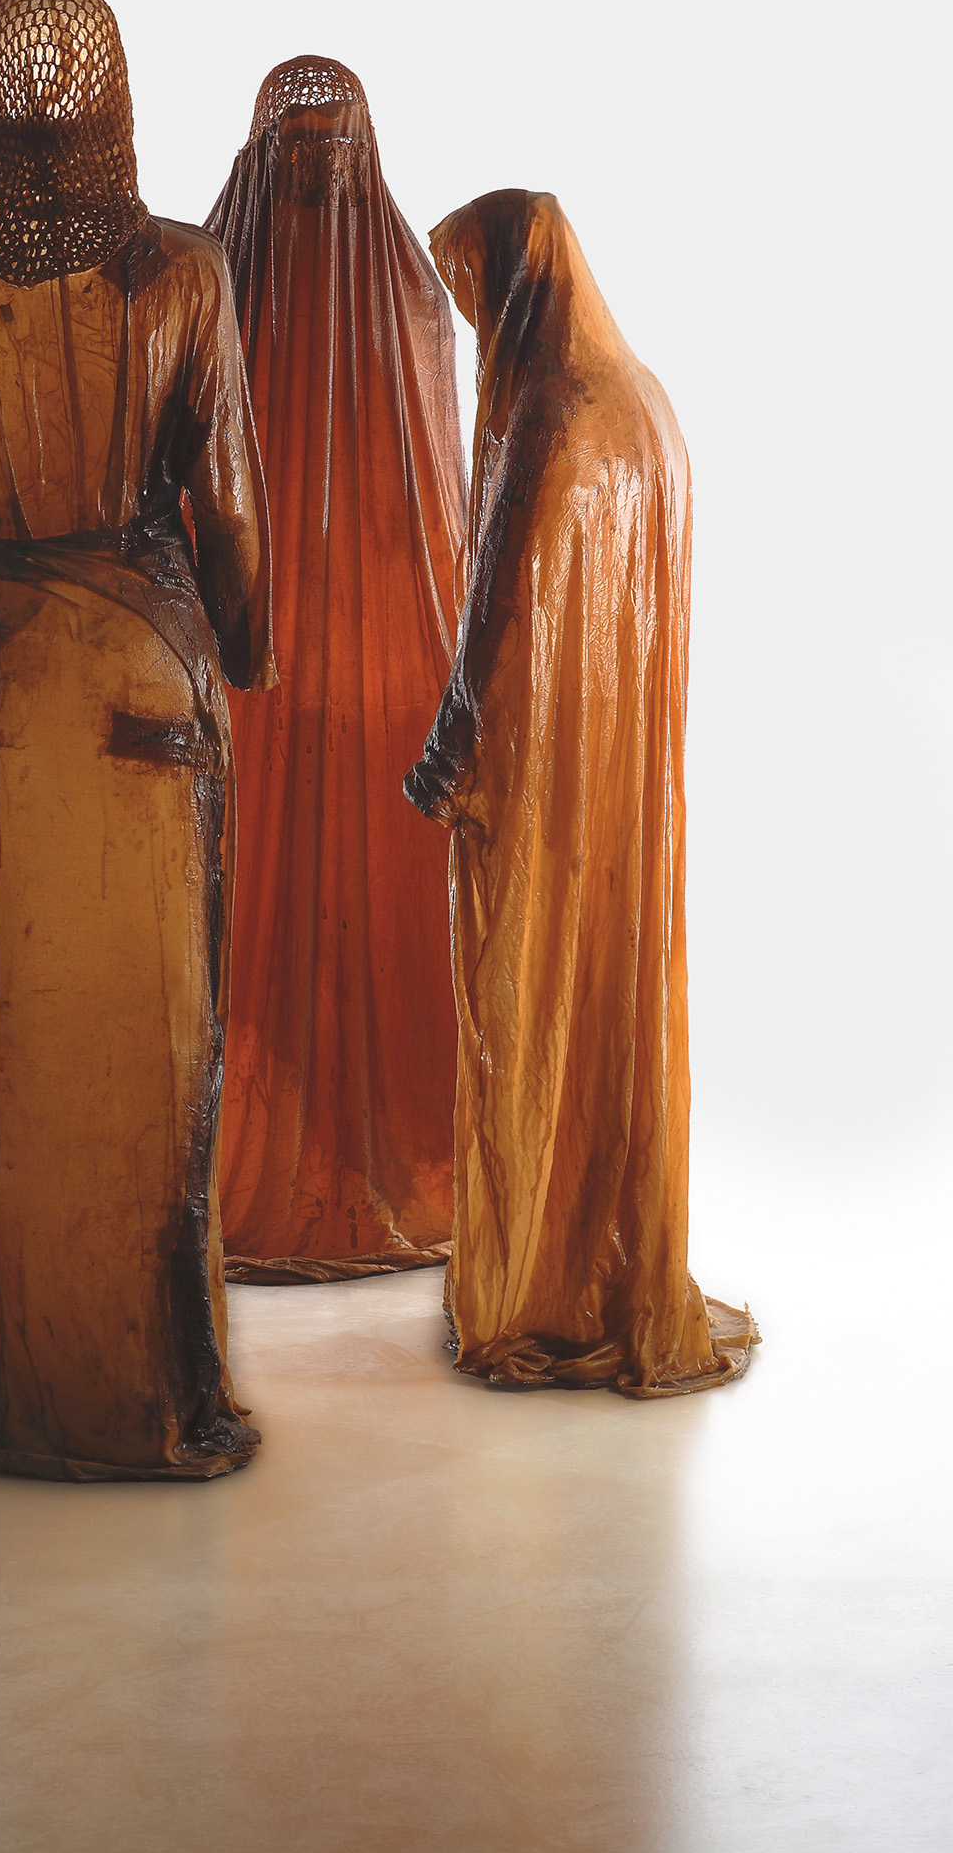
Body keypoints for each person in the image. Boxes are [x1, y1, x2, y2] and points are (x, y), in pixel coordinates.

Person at [0, 0, 274, 1480]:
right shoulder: (184, 274)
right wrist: (248, 649)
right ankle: (154, 1389)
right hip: (145, 681)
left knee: (1, 1038)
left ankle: (20, 1391)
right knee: (155, 1040)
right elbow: (230, 511)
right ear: (119, 107)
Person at [405, 189, 757, 1394]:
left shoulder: (545, 411)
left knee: (524, 1005)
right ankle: (604, 1256)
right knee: (607, 998)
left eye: (473, 295)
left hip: (539, 776)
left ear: (513, 285)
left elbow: (498, 609)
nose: (473, 328)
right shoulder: (642, 400)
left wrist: (449, 750)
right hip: (620, 783)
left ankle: (535, 1285)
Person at [206, 56, 469, 1280]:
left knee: (349, 910)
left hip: (355, 678)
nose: (314, 179)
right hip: (262, 673)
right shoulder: (216, 284)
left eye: (328, 155)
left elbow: (436, 515)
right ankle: (291, 1150)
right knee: (260, 911)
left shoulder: (391, 298)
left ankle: (361, 1157)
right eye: (296, 156)